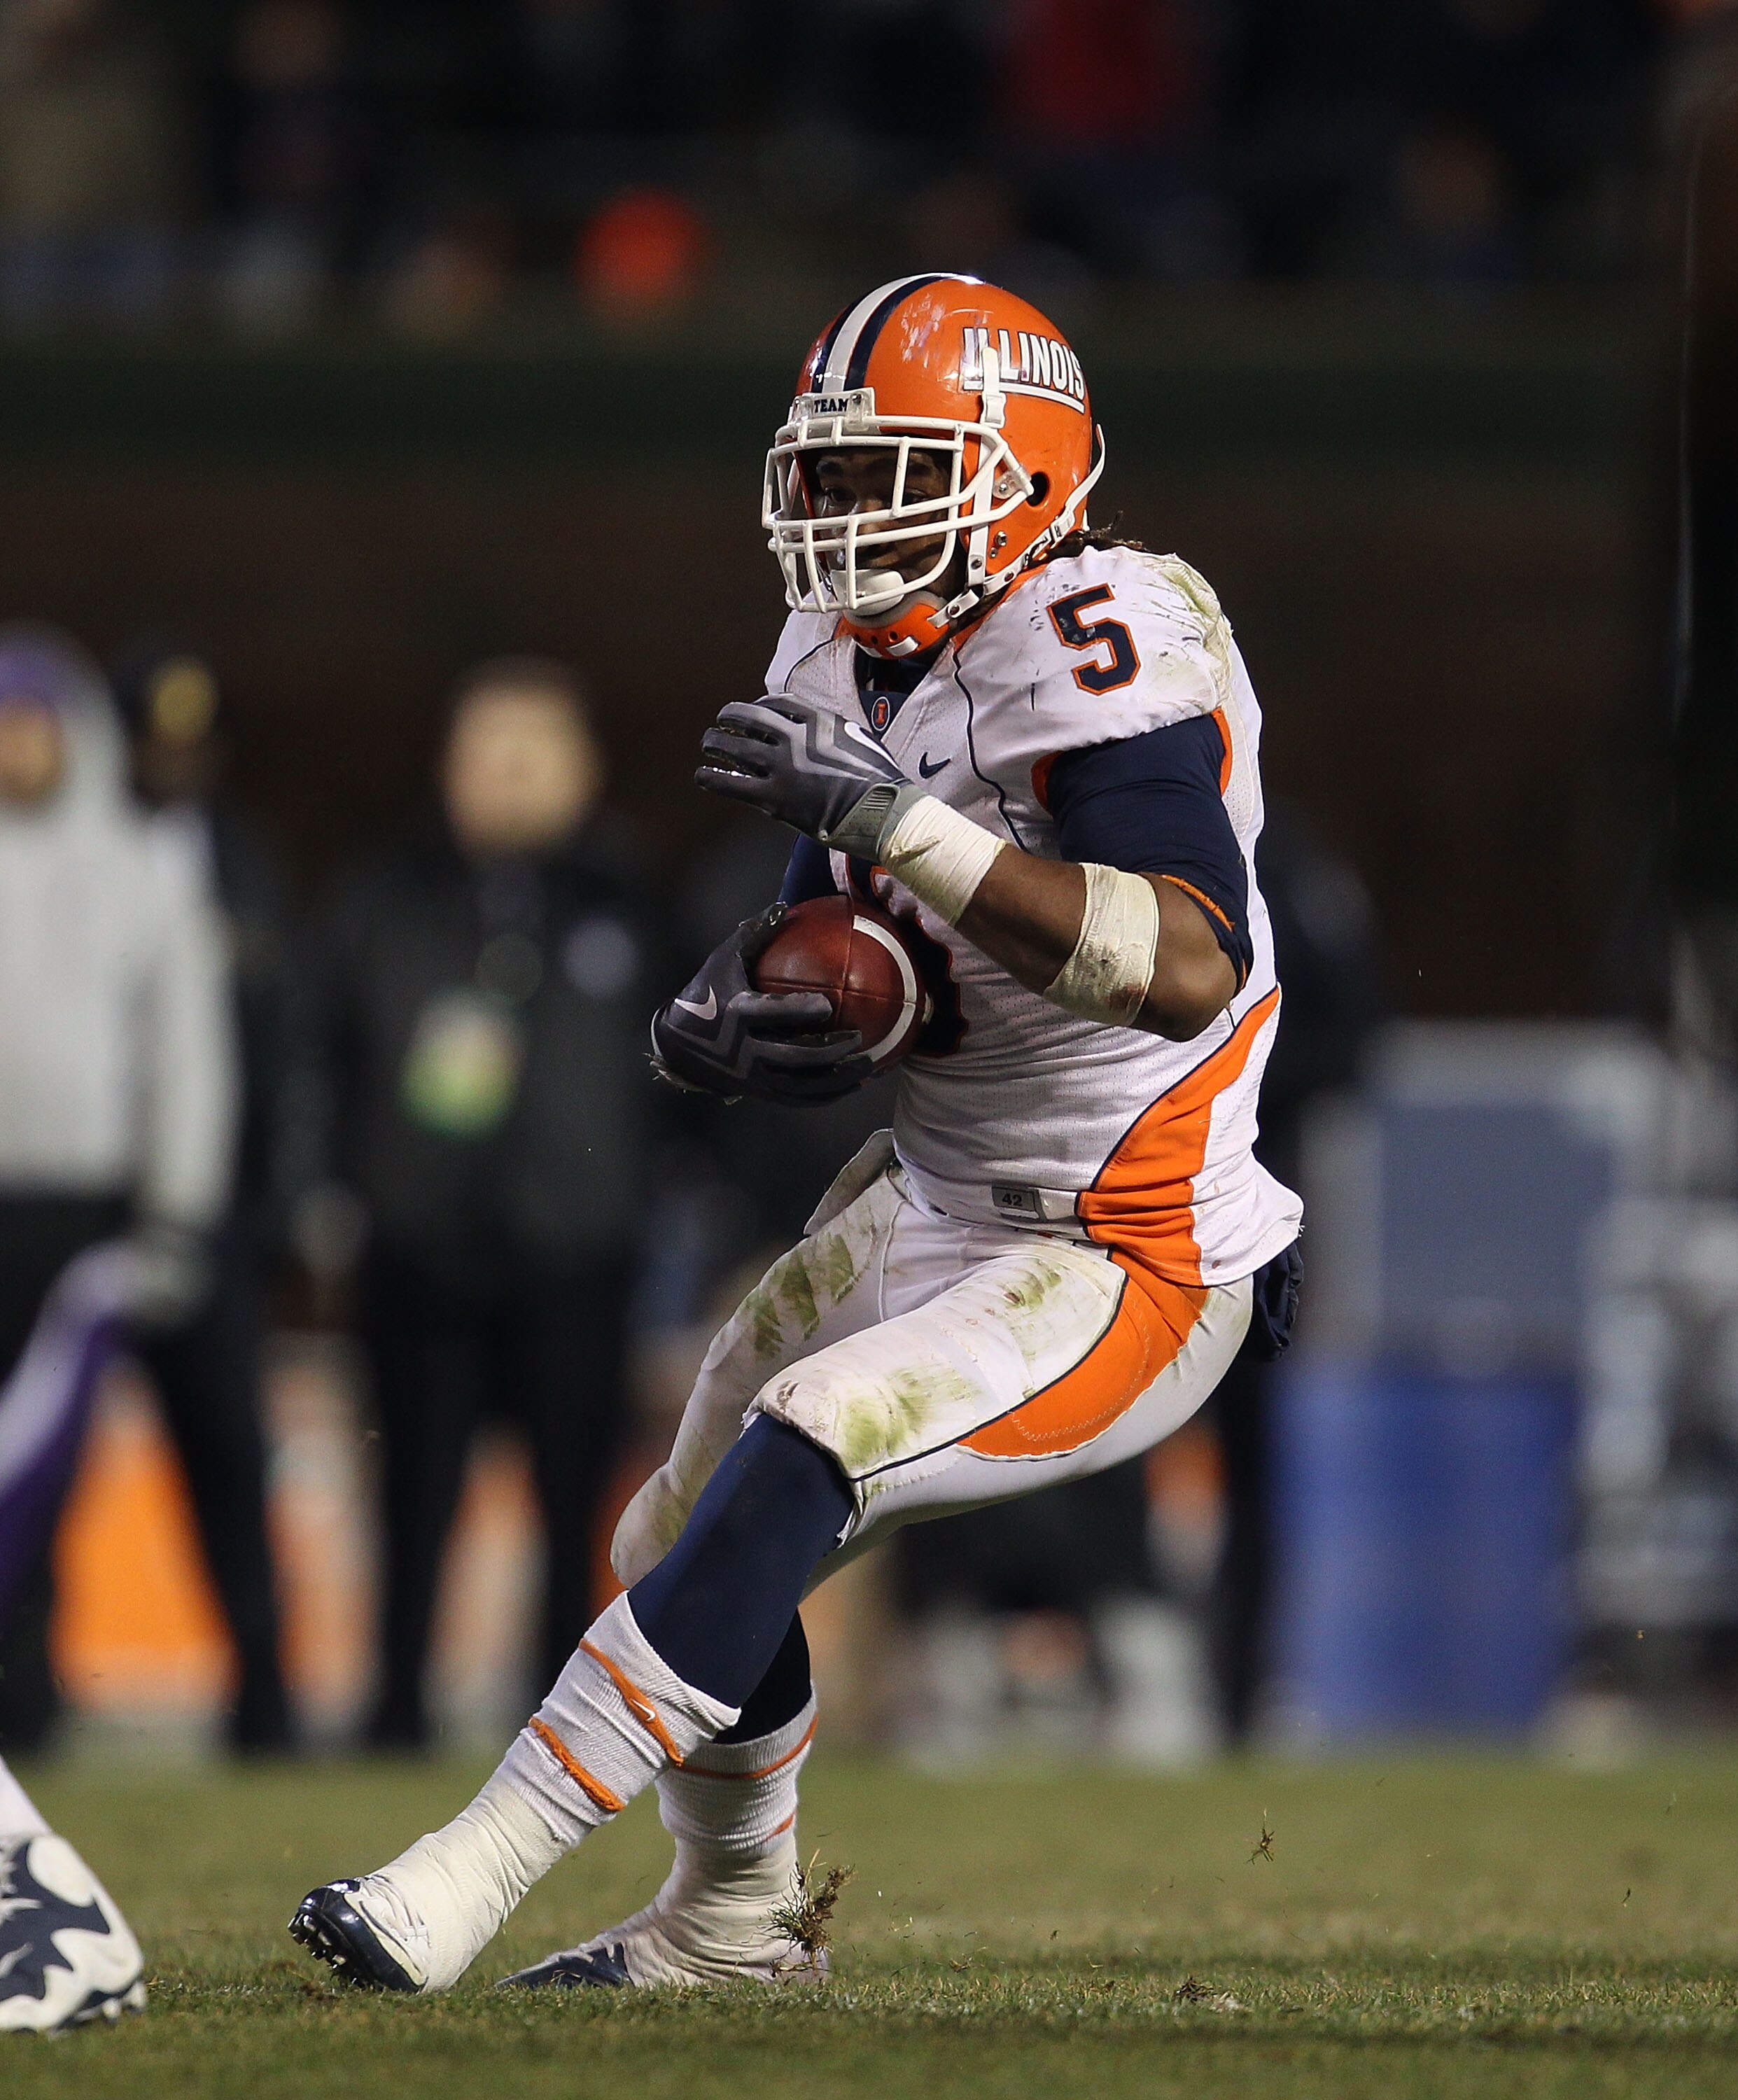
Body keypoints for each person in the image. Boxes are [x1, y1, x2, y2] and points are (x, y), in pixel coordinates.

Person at [290, 274, 1301, 1994]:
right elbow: (849, 942)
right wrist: (749, 1005)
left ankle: (471, 1872)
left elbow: (1188, 963)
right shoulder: (841, 646)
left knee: (813, 1429)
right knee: (670, 1539)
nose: (841, 519)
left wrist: (903, 824)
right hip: (932, 1192)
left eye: (891, 470)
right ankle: (734, 1926)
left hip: (1122, 1236)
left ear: (1024, 470)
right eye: (825, 476)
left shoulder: (1100, 635)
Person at [315, 659, 665, 1750]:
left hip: (579, 1261)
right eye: (489, 747)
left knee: (578, 1522)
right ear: (448, 766)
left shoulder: (637, 906)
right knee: (412, 1509)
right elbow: (321, 1058)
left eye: (536, 747)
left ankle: (560, 1746)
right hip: (419, 1260)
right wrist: (335, 1196)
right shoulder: (382, 897)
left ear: (584, 767)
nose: (511, 773)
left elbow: (695, 1084)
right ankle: (393, 1719)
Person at [0, 629, 237, 1754]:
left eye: (34, 725)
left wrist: (175, 1202)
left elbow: (187, 1049)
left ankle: (32, 1700)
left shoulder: (141, 866)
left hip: (78, 1212)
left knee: (47, 1466)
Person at [111, 645, 299, 1753]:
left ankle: (264, 1702)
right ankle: (25, 1700)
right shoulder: (68, 863)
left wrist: (275, 1202)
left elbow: (278, 1047)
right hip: (78, 1208)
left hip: (216, 1212)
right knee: (37, 1463)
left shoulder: (241, 865)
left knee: (231, 1460)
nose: (170, 765)